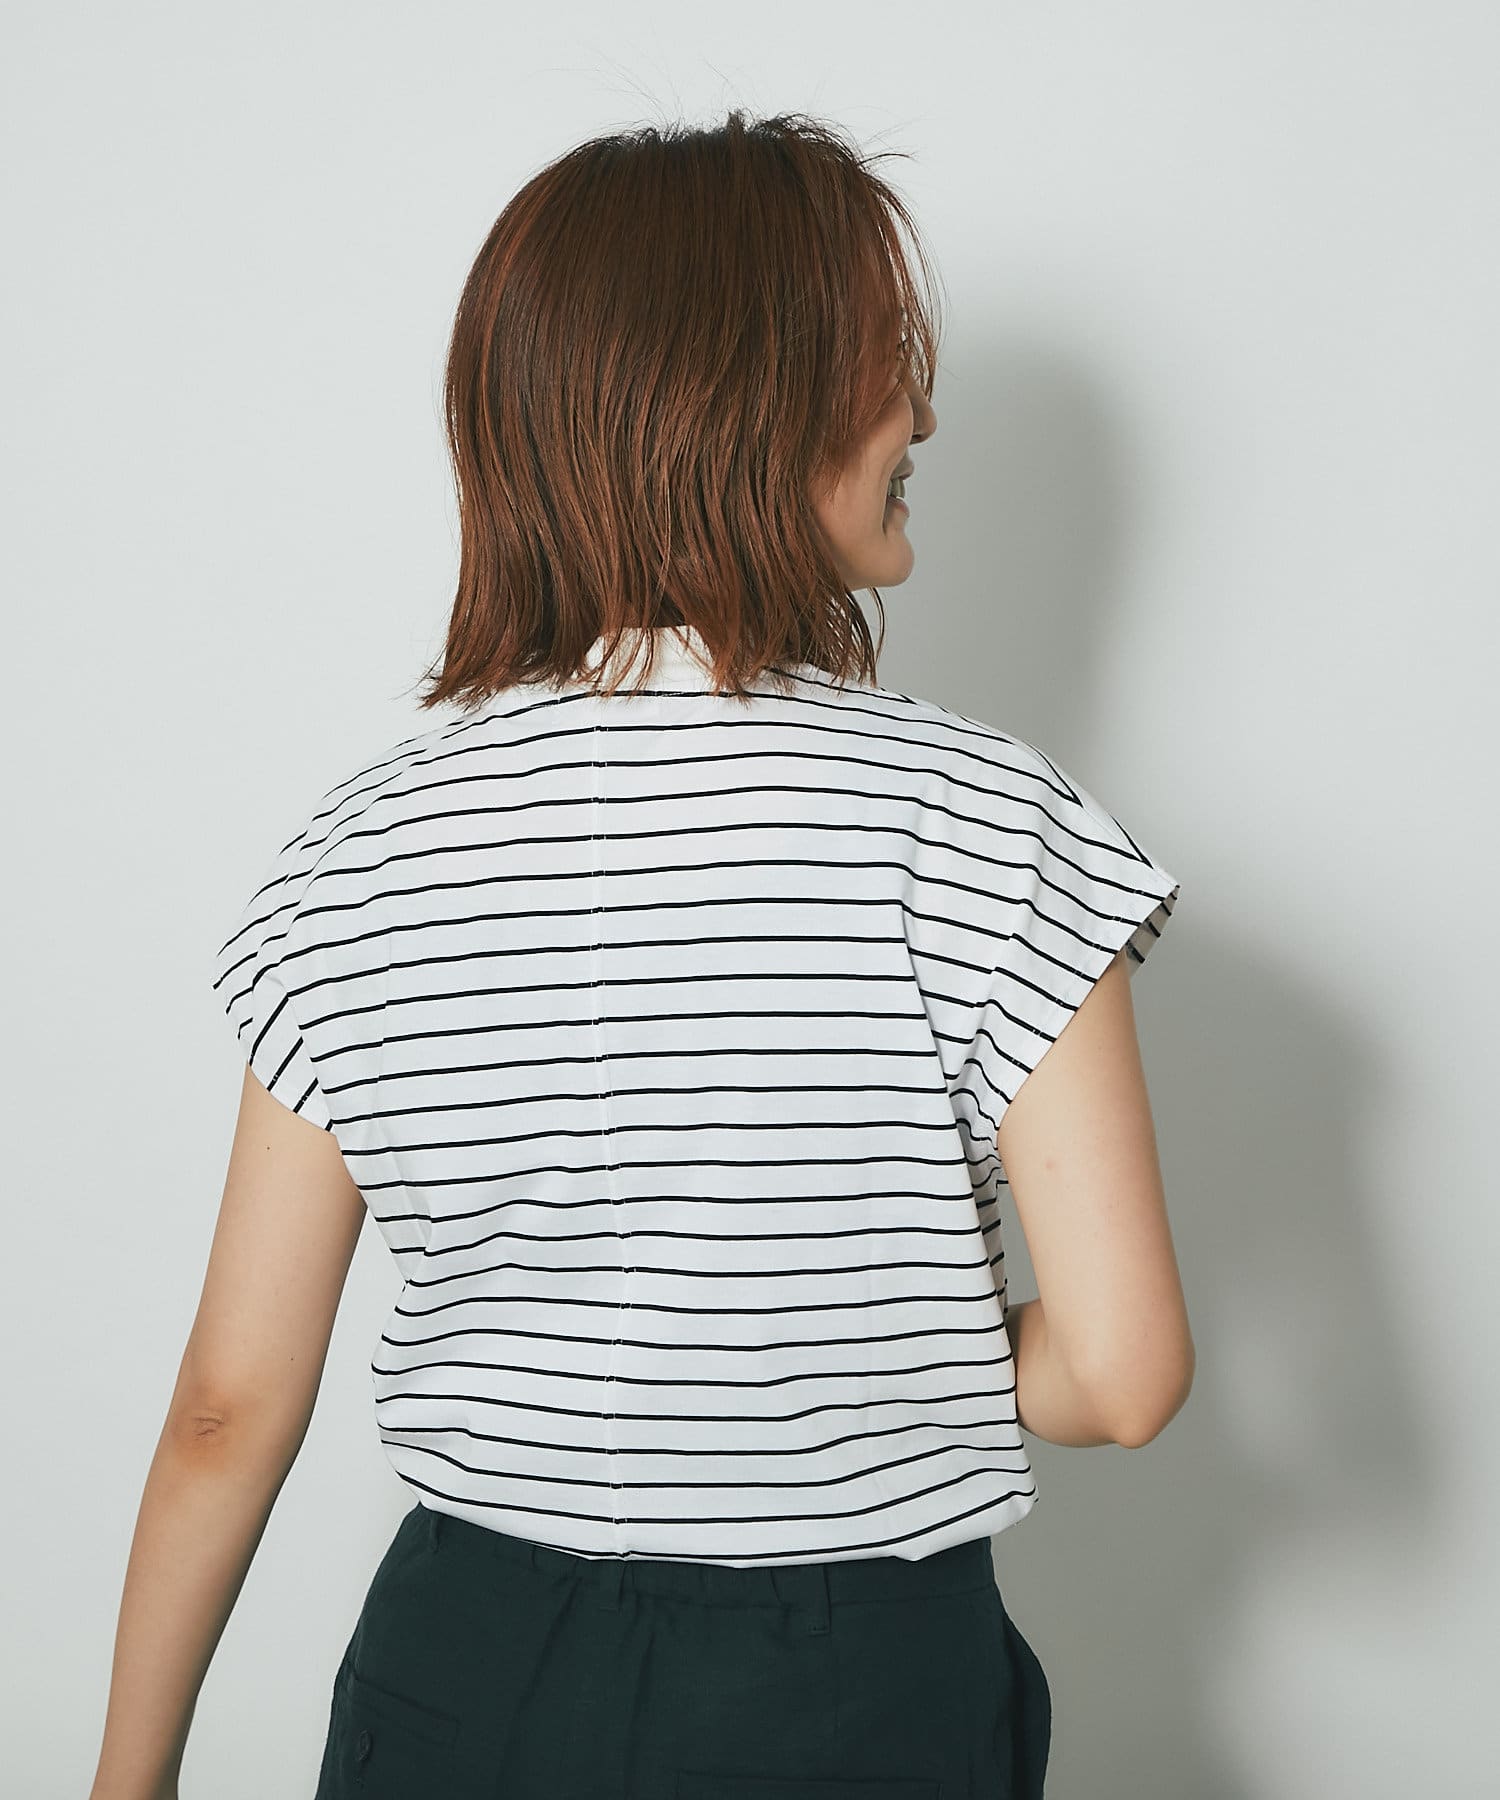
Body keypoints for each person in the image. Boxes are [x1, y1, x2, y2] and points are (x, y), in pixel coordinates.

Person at [89, 109, 1192, 1800]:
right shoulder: (986, 820)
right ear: (745, 399)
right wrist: (865, 1325)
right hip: (856, 1686)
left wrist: (126, 1780)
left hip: (464, 1669)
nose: (923, 414)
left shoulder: (360, 851)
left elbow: (230, 1404)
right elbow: (1120, 1377)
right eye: (882, 355)